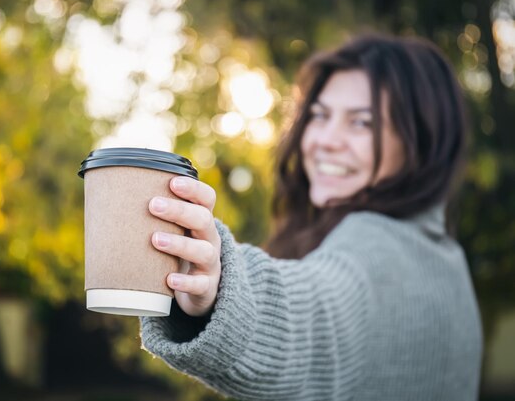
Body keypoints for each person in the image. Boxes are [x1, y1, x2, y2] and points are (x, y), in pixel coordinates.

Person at [141, 33, 483, 401]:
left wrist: (219, 283)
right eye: (319, 115)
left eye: (362, 123)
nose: (325, 139)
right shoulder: (447, 258)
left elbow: (318, 313)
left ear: (421, 142)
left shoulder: (375, 246)